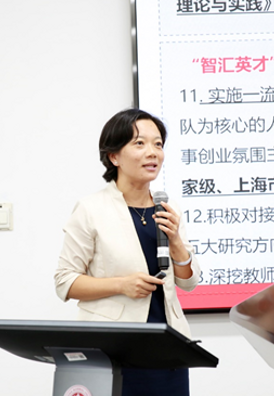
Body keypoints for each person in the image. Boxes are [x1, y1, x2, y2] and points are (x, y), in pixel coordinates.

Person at [54, 108, 200, 396]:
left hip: (168, 349)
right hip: (113, 351)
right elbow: (65, 282)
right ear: (114, 156)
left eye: (158, 144)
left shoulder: (168, 208)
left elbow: (188, 282)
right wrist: (121, 285)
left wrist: (176, 242)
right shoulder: (91, 209)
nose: (153, 152)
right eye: (140, 143)